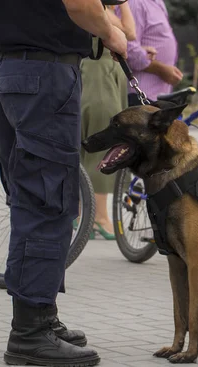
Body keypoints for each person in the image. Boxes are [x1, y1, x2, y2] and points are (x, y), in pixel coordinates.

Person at [0, 0, 127, 367]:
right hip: (43, 73)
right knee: (48, 200)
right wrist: (110, 31)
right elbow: (78, 3)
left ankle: (40, 315)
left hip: (12, 68)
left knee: (33, 198)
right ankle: (30, 332)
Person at [80, 3, 135, 240]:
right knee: (102, 149)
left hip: (105, 78)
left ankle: (84, 213)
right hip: (99, 82)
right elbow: (128, 32)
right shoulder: (95, 8)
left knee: (93, 150)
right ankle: (99, 217)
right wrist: (124, 4)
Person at [116, 0, 183, 105]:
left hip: (156, 95)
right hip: (139, 94)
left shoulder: (157, 2)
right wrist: (161, 70)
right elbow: (128, 47)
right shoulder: (135, 3)